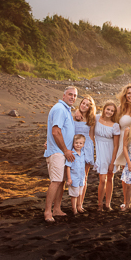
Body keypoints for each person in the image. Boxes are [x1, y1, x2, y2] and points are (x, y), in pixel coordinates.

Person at [44, 86, 77, 223]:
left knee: (61, 181)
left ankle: (57, 209)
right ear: (63, 96)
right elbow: (55, 131)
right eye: (70, 94)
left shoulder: (66, 110)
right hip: (57, 152)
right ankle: (47, 212)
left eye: (75, 96)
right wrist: (65, 150)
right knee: (56, 181)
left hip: (62, 153)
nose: (72, 97)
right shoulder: (59, 109)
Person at [93, 100, 120, 211]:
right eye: (108, 109)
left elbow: (116, 145)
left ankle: (108, 204)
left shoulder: (115, 125)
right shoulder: (96, 118)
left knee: (110, 177)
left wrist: (113, 161)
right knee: (102, 179)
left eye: (112, 111)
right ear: (104, 109)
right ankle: (100, 204)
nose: (109, 112)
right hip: (99, 150)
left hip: (110, 152)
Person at [73, 95, 96, 208]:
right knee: (74, 175)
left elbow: (91, 136)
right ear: (80, 103)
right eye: (83, 103)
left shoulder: (91, 119)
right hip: (75, 147)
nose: (84, 106)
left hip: (86, 147)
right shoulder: (74, 115)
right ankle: (74, 202)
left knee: (84, 177)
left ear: (89, 108)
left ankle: (79, 204)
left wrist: (93, 151)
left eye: (87, 105)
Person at [65, 133, 86, 215]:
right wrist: (69, 178)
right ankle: (74, 209)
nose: (78, 145)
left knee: (80, 193)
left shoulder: (83, 154)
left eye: (80, 143)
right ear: (73, 143)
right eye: (76, 143)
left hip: (81, 177)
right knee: (74, 195)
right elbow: (68, 167)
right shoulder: (72, 154)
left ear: (83, 144)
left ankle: (79, 206)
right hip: (74, 178)